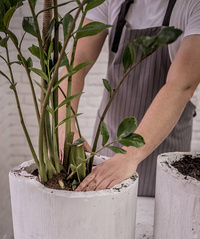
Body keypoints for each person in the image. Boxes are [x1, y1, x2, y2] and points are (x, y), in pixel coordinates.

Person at [58, 0, 200, 196]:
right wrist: (65, 129)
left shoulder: (193, 6)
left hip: (163, 149)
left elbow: (181, 85)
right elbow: (76, 62)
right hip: (108, 141)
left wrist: (129, 157)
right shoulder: (108, 1)